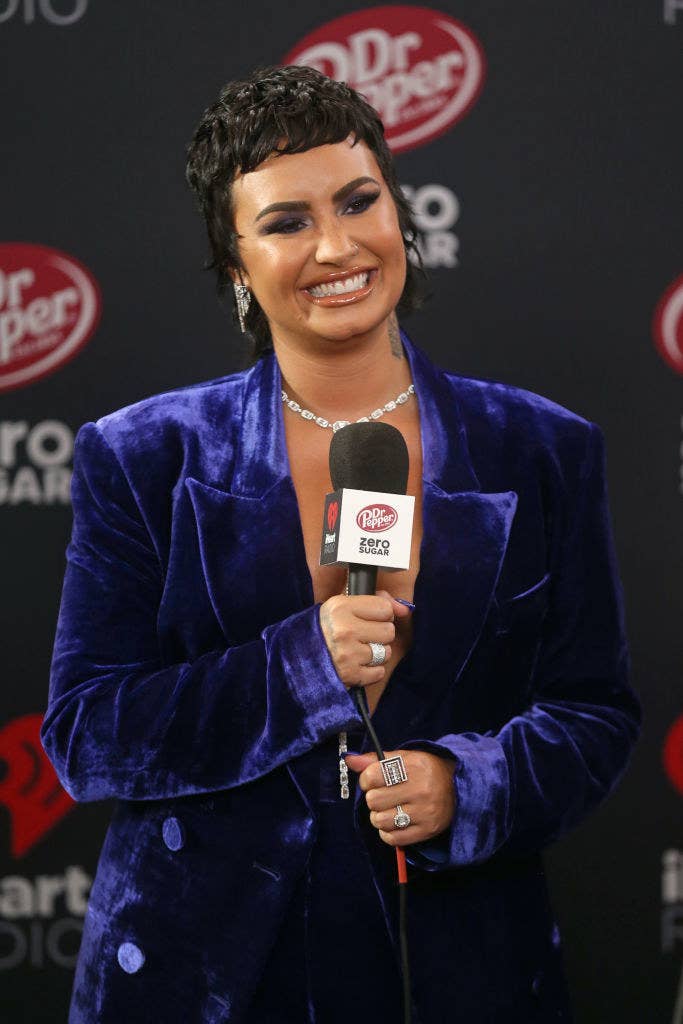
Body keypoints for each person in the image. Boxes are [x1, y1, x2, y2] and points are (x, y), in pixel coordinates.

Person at [41, 65, 641, 1024]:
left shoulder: (543, 448)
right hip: (207, 975)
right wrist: (300, 666)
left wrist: (465, 785)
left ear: (399, 216)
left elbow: (591, 712)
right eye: (285, 222)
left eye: (359, 202)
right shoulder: (142, 453)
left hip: (459, 966)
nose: (335, 244)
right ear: (235, 264)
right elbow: (86, 732)